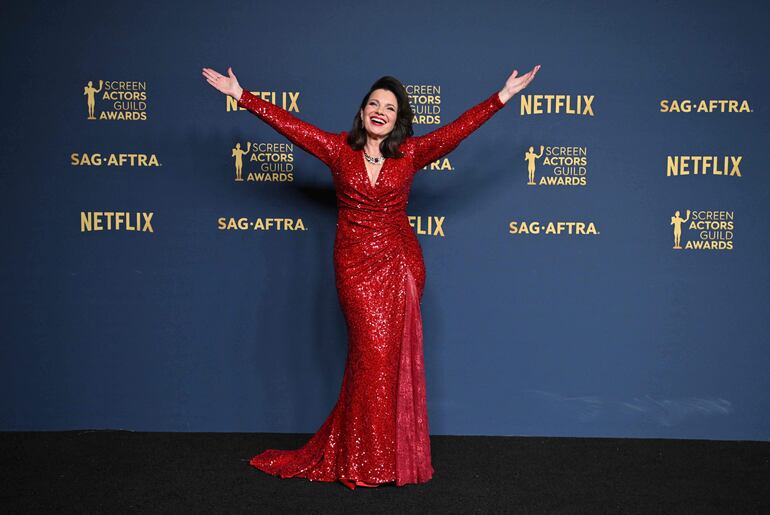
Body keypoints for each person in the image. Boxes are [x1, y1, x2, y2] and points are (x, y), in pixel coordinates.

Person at [202, 64, 540, 489]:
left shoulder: (412, 153)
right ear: (362, 111)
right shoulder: (338, 149)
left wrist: (502, 96)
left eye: (390, 107)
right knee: (371, 358)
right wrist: (241, 94)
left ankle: (380, 460)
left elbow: (455, 132)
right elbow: (293, 127)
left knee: (386, 364)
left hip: (400, 265)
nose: (380, 111)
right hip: (355, 270)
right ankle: (364, 457)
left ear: (399, 119)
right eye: (374, 104)